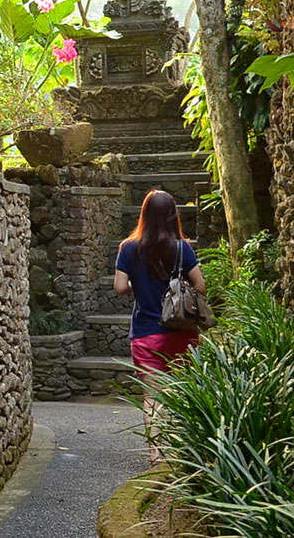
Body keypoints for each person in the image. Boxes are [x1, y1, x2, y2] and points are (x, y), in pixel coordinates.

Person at [113, 189, 206, 463]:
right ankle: (180, 450)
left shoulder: (129, 248)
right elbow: (200, 285)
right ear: (173, 216)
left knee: (153, 396)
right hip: (180, 332)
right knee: (180, 391)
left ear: (144, 214)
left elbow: (119, 287)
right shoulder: (181, 248)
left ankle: (157, 453)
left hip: (145, 333)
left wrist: (138, 284)